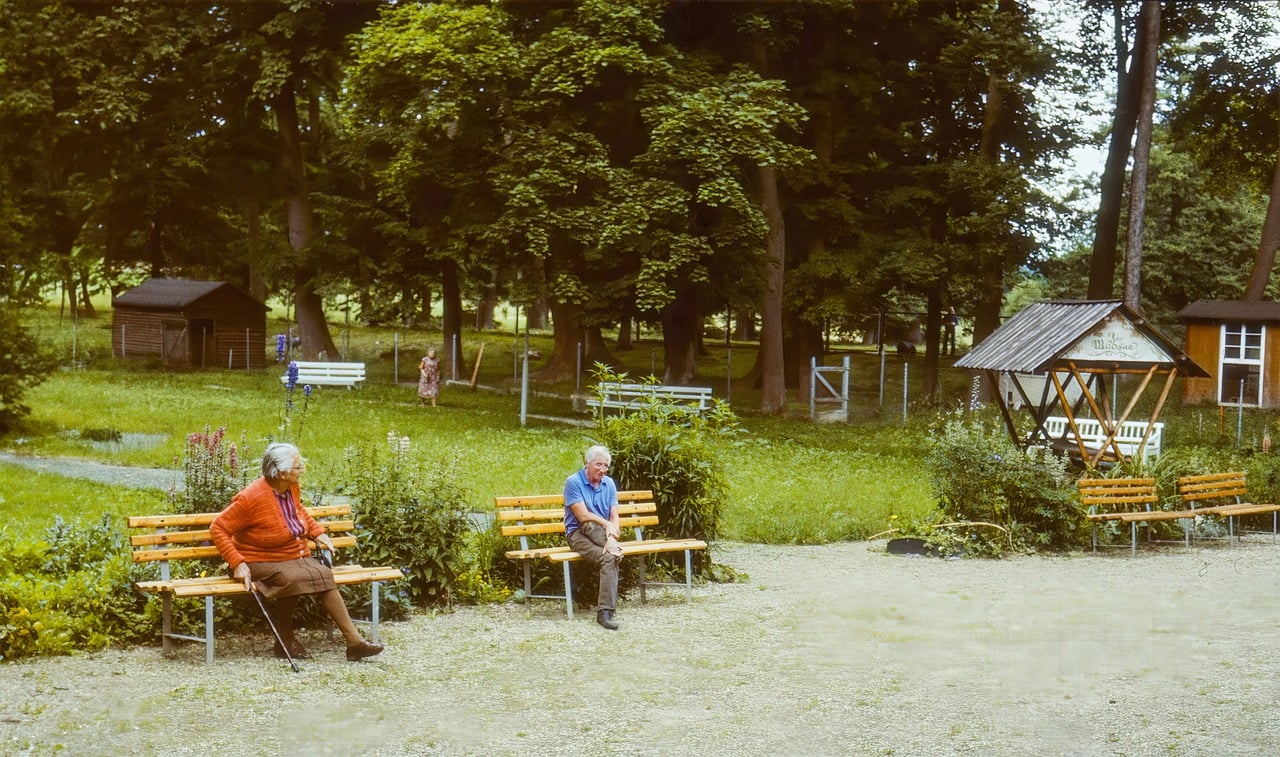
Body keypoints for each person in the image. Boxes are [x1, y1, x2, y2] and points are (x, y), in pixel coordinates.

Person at [210, 443, 384, 662]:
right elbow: (218, 528)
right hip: (257, 559)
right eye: (298, 467)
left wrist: (317, 532)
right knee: (292, 577)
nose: (302, 470)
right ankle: (285, 640)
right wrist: (237, 563)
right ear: (282, 473)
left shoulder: (290, 487)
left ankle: (354, 643)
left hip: (290, 555)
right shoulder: (251, 498)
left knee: (323, 573)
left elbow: (297, 511)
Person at [563, 445, 624, 630]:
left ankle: (605, 613)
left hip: (603, 535)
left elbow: (614, 516)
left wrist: (611, 538)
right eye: (598, 464)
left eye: (606, 466)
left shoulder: (609, 483)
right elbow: (583, 516)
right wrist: (608, 527)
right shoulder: (573, 482)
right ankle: (613, 547)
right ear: (587, 463)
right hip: (578, 534)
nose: (602, 469)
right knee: (590, 525)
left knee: (610, 557)